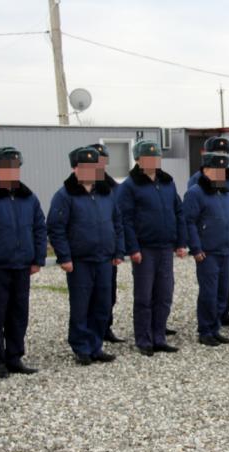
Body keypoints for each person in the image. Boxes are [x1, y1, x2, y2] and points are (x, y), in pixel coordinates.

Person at [47, 147, 123, 365]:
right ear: (75, 169)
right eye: (85, 167)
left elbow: (117, 223)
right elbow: (56, 228)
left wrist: (118, 250)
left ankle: (96, 345)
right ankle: (81, 347)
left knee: (102, 305)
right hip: (80, 261)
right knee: (81, 306)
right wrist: (65, 257)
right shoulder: (64, 195)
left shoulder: (106, 193)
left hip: (104, 259)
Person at [0, 147, 46, 378]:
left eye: (15, 167)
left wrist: (38, 258)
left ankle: (15, 357)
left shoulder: (29, 197)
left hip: (21, 266)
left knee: (19, 313)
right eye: (6, 166)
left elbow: (39, 227)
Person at [117, 140, 187, 356]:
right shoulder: (129, 186)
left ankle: (159, 336)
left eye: (156, 157)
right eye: (147, 157)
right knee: (144, 296)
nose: (152, 161)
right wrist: (133, 248)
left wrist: (181, 242)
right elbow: (125, 220)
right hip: (144, 249)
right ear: (138, 159)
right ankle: (144, 339)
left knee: (164, 294)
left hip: (165, 247)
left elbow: (178, 212)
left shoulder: (167, 182)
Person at [183, 152, 229, 346]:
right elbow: (189, 222)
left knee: (222, 292)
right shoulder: (195, 193)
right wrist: (196, 248)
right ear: (205, 170)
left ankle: (215, 327)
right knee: (209, 292)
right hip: (207, 252)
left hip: (225, 250)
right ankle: (205, 330)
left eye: (223, 170)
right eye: (216, 170)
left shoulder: (225, 193)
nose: (220, 174)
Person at [88, 143, 126, 344]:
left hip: (108, 249)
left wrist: (119, 248)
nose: (101, 164)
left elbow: (118, 219)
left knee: (108, 293)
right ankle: (88, 332)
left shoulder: (112, 187)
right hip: (88, 251)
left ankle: (105, 327)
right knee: (89, 295)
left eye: (104, 160)